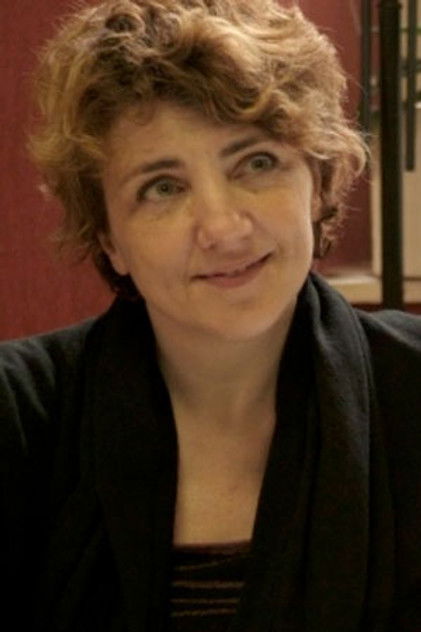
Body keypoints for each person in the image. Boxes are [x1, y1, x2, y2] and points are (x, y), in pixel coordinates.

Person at [1, 0, 420, 630]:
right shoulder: (18, 416)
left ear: (318, 181)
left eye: (257, 163)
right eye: (163, 187)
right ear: (110, 237)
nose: (223, 228)